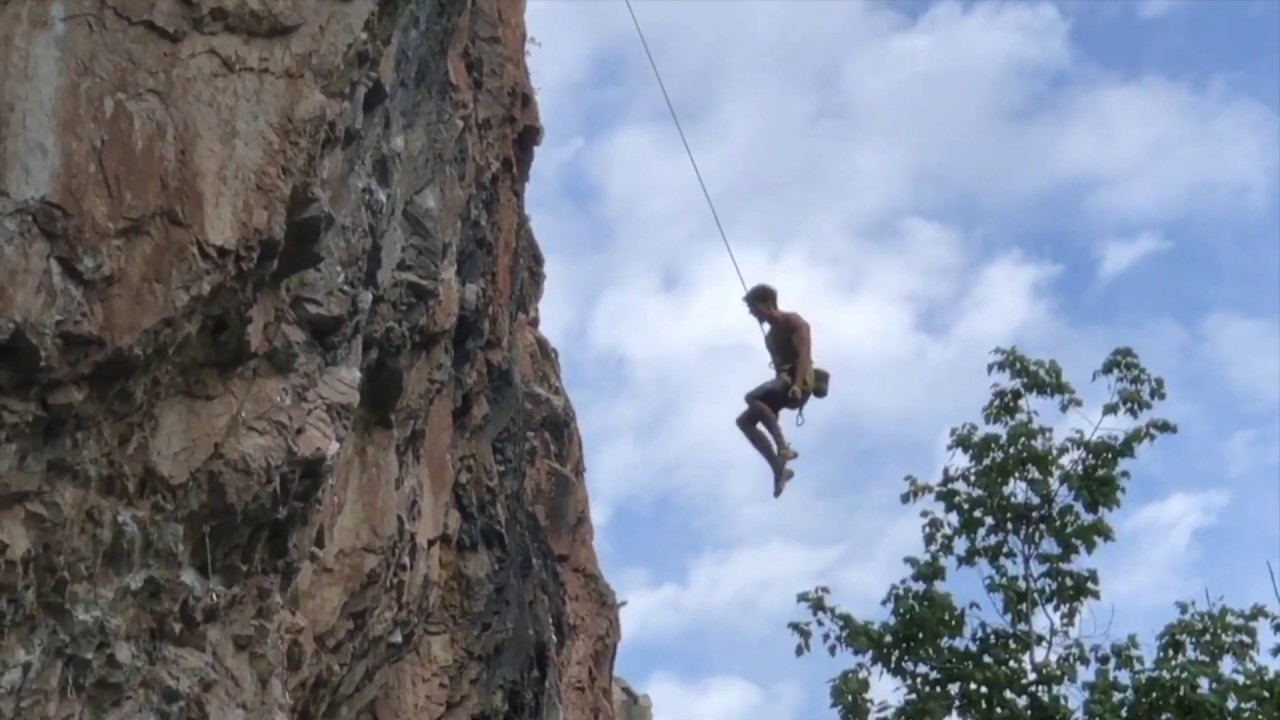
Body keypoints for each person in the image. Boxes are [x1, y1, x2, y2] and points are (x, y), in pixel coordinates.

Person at [736, 283, 815, 498]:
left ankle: (782, 448)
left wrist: (798, 386)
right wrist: (770, 409)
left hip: (801, 382)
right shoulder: (769, 339)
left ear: (767, 303)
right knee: (743, 422)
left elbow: (804, 356)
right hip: (783, 384)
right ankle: (778, 469)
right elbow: (778, 373)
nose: (753, 314)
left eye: (754, 308)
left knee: (750, 397)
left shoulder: (794, 322)